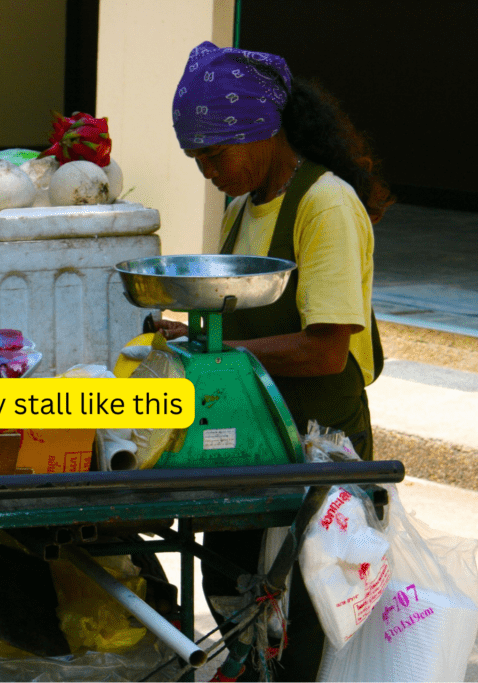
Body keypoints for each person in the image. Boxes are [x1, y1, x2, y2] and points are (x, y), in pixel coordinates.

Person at [160, 42, 394, 680]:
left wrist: (220, 353)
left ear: (263, 130)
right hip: (254, 443)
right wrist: (187, 334)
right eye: (197, 158)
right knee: (232, 592)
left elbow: (325, 350)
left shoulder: (325, 205)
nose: (207, 170)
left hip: (321, 448)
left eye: (214, 152)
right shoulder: (239, 212)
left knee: (306, 629)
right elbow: (235, 320)